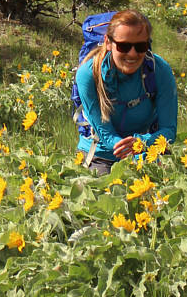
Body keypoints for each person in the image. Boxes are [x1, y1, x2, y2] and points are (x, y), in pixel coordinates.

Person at [75, 9, 178, 175]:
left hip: (147, 151)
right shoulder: (88, 74)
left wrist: (141, 143)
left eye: (140, 46)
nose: (132, 53)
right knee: (105, 196)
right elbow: (106, 135)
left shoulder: (160, 70)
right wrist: (129, 149)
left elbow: (169, 130)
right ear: (108, 42)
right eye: (123, 46)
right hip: (102, 154)